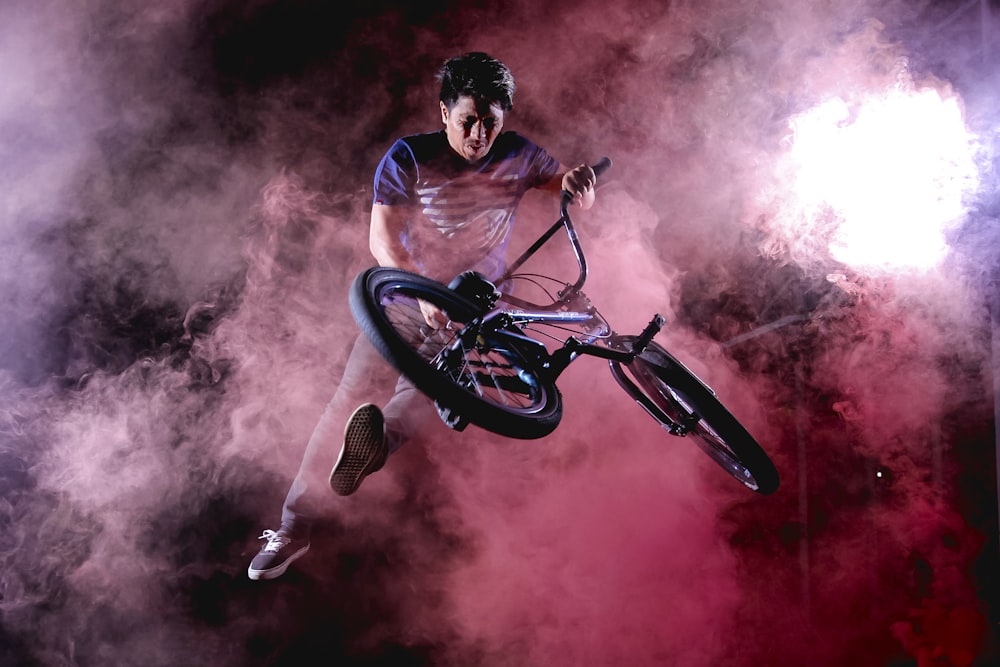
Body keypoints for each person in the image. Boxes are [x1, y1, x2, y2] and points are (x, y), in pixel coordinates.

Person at [247, 52, 598, 580]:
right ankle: (293, 529)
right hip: (405, 300)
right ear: (443, 113)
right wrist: (426, 291)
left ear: (504, 120)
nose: (480, 135)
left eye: (491, 124)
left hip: (470, 312)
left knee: (425, 397)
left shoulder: (520, 155)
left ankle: (371, 448)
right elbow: (380, 239)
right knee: (349, 395)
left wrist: (579, 184)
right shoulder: (409, 156)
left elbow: (564, 185)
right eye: (468, 122)